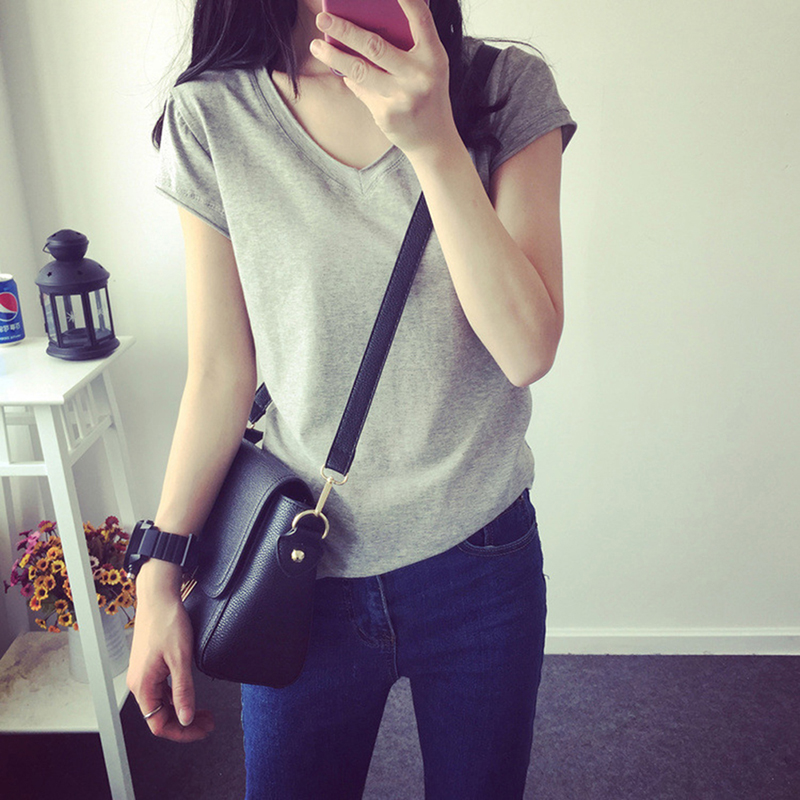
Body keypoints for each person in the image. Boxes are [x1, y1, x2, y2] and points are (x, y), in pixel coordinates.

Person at [127, 0, 576, 796]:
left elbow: (526, 349)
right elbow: (220, 372)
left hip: (480, 560)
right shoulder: (214, 115)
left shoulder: (504, 88)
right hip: (301, 571)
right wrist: (157, 576)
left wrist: (434, 143)